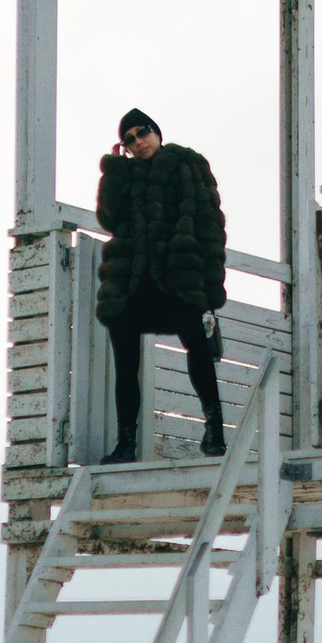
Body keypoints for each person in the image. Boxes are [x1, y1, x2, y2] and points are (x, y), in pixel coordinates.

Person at [96, 109, 227, 462]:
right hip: (133, 282)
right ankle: (126, 443)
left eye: (143, 133)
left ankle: (214, 431)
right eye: (130, 140)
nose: (139, 143)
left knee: (198, 348)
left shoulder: (187, 163)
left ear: (157, 131)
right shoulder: (127, 174)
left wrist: (211, 287)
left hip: (177, 277)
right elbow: (109, 218)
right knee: (125, 361)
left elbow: (211, 227)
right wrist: (114, 169)